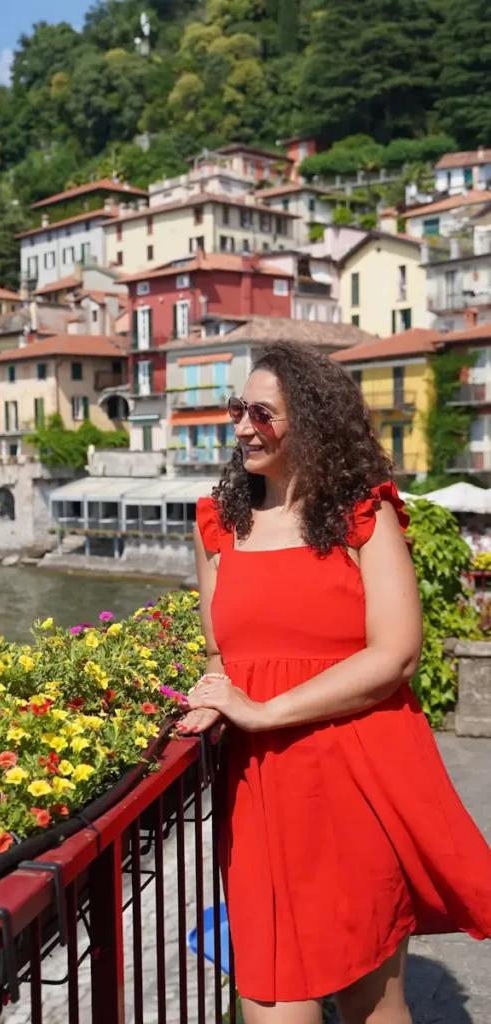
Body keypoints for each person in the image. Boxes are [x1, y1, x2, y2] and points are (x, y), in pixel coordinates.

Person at [181, 342, 491, 1024]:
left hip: (357, 782)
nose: (241, 428)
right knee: (269, 1004)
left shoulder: (364, 516)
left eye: (262, 413)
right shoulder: (217, 528)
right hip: (259, 794)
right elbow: (219, 652)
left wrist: (263, 712)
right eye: (239, 410)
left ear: (313, 422)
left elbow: (397, 656)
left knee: (368, 1005)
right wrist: (215, 693)